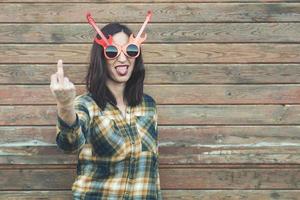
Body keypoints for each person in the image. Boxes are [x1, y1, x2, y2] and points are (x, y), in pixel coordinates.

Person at [49, 11, 162, 199]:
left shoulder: (148, 105)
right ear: (101, 57)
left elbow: (152, 170)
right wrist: (65, 104)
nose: (123, 58)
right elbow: (69, 144)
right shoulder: (86, 105)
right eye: (112, 52)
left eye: (131, 50)